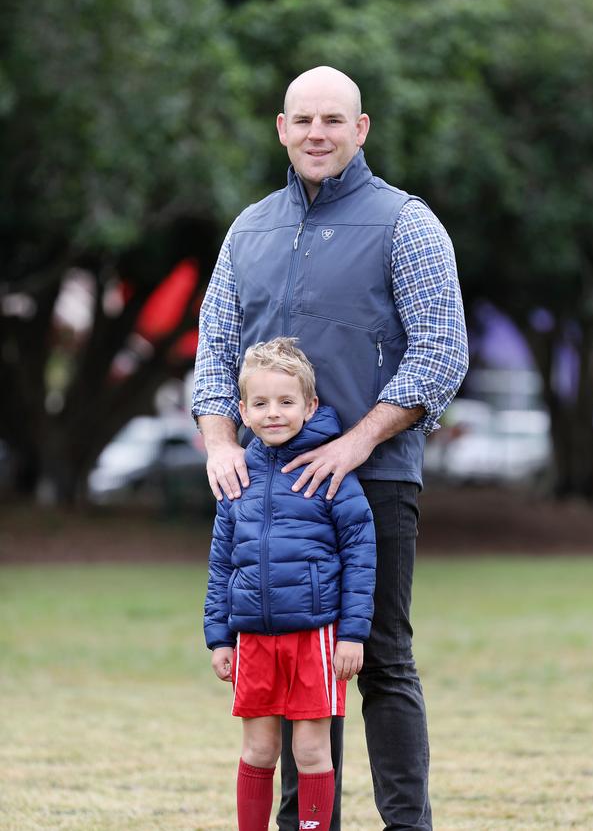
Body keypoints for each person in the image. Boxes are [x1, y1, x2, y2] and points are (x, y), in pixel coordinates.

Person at [193, 66, 469, 831]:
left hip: (373, 479)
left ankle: (406, 823)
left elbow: (442, 352)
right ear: (281, 128)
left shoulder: (406, 222)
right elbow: (215, 350)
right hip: (267, 486)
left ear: (362, 128)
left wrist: (355, 441)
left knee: (377, 655)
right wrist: (221, 443)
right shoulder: (247, 229)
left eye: (333, 120)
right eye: (303, 119)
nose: (317, 133)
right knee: (288, 661)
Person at [205, 337, 376, 831]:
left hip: (315, 637)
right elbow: (221, 564)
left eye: (286, 402)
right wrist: (219, 636)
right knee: (259, 749)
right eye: (260, 403)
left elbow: (362, 555)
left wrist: (352, 634)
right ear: (243, 409)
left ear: (310, 405)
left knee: (309, 749)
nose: (273, 413)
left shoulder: (331, 472)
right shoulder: (237, 474)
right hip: (253, 638)